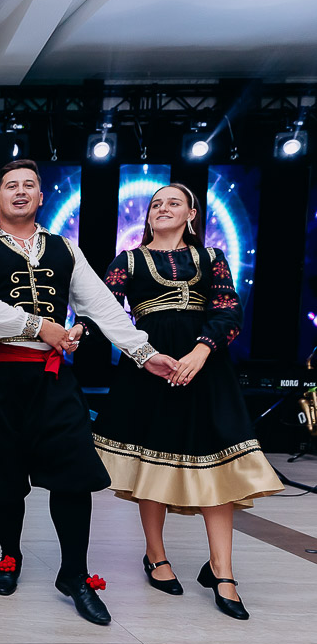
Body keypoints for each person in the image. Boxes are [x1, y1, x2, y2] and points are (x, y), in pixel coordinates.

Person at [0, 159, 179, 625]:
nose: (19, 191)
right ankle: (9, 555)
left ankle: (74, 574)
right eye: (10, 185)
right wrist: (42, 327)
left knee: (74, 472)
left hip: (51, 378)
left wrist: (145, 353)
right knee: (2, 475)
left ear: (40, 197)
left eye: (28, 185)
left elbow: (102, 306)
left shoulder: (64, 248)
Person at [93, 183, 282, 620]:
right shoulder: (128, 261)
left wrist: (200, 351)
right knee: (152, 462)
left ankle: (222, 570)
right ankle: (155, 555)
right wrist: (136, 351)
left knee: (219, 466)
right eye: (156, 204)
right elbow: (104, 310)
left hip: (206, 368)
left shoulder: (212, 257)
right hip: (149, 369)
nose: (163, 208)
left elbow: (229, 310)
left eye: (173, 203)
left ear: (191, 214)